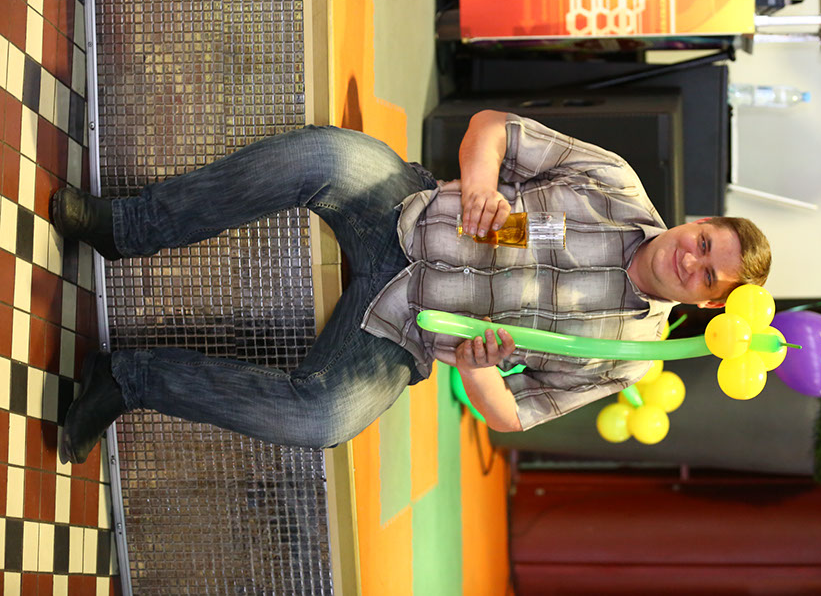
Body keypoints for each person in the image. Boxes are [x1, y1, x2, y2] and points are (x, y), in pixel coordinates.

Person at [52, 110, 771, 464]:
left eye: (710, 276)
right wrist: (482, 183)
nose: (693, 261)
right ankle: (127, 226)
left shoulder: (631, 357)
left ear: (712, 303)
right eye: (705, 243)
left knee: (322, 419)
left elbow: (516, 415)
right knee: (324, 155)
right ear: (699, 221)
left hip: (404, 334)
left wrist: (480, 374)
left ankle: (127, 380)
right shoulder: (614, 182)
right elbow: (494, 129)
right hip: (401, 211)